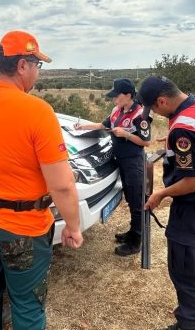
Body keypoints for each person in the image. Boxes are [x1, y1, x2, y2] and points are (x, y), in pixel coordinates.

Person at [0, 30, 83, 330]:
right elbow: (61, 184)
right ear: (22, 66)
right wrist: (73, 226)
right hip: (23, 229)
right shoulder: (37, 111)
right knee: (27, 304)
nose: (38, 72)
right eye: (37, 65)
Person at [139, 76, 195, 330]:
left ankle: (187, 324)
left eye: (154, 109)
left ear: (162, 100)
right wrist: (174, 145)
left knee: (186, 271)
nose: (155, 114)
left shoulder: (183, 130)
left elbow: (194, 182)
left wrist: (161, 193)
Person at [74, 78, 151, 256]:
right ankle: (132, 232)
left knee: (136, 200)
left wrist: (125, 134)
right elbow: (103, 125)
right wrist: (81, 127)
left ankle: (136, 241)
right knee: (130, 199)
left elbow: (146, 142)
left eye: (117, 96)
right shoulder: (117, 111)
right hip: (120, 162)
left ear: (128, 95)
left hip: (133, 163)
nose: (114, 99)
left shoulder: (140, 115)